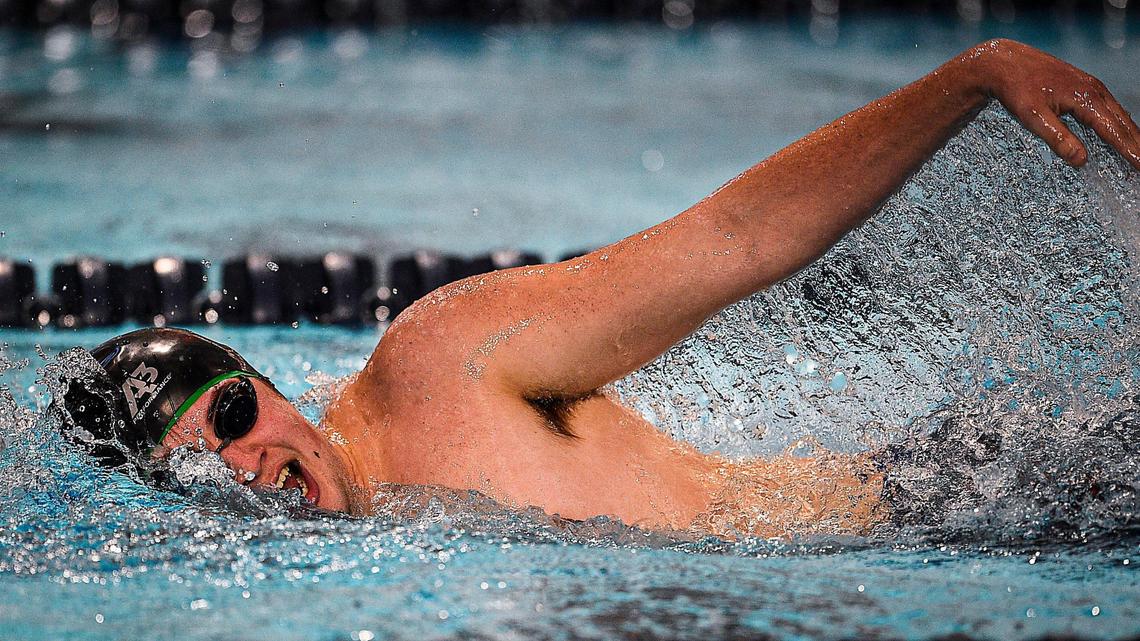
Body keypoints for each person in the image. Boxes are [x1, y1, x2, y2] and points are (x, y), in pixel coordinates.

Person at [60, 39, 1140, 539]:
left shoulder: (443, 365)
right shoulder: (373, 551)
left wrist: (971, 77)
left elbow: (732, 237)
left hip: (971, 504)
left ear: (265, 379)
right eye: (207, 462)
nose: (252, 464)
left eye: (238, 412)